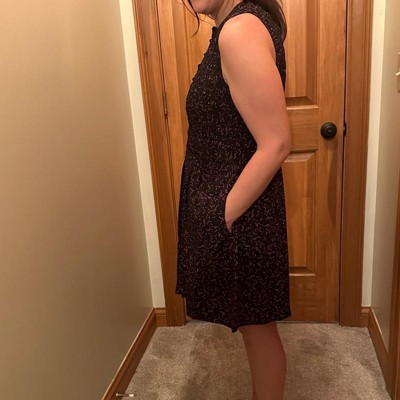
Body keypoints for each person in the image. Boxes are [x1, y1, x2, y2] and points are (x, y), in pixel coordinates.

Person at [175, 1, 292, 399]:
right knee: (256, 328)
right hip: (239, 208)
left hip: (242, 214)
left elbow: (275, 143)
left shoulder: (239, 31)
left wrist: (221, 216)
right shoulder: (234, 28)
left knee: (258, 331)